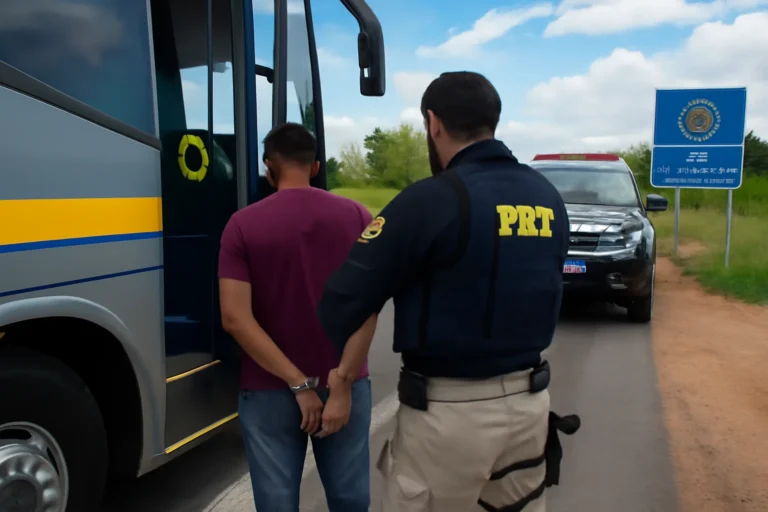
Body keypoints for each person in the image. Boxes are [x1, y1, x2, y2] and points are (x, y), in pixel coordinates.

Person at [317, 71, 580, 512]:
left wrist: (339, 376)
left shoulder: (431, 199)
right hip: (529, 408)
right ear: (493, 120)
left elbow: (346, 297)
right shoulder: (547, 196)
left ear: (433, 122)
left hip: (448, 417)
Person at [218, 122, 376, 512]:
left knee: (276, 502)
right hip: (344, 383)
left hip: (267, 389)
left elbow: (235, 318)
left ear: (268, 168)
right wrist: (341, 384)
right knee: (350, 498)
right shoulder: (357, 215)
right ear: (316, 167)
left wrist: (298, 384)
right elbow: (368, 306)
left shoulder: (242, 225)